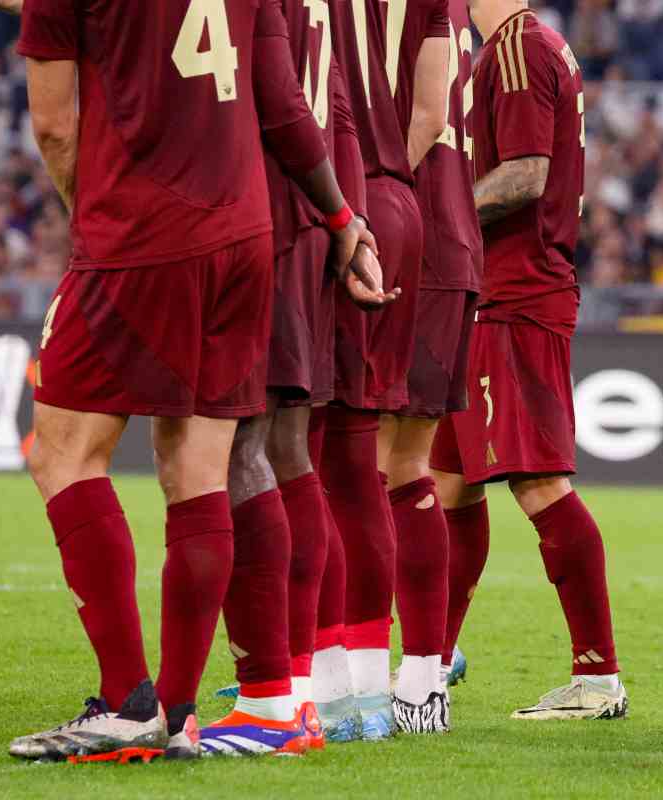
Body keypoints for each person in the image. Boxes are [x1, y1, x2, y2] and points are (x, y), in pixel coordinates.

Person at [10, 0, 382, 762]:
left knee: (62, 453)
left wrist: (94, 219)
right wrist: (343, 220)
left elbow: (52, 126)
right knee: (199, 469)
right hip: (246, 238)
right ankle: (178, 715)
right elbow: (281, 105)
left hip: (139, 234)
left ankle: (125, 704)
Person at [199, 0, 394, 757]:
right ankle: (302, 692)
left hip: (270, 217)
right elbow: (336, 111)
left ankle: (275, 700)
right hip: (312, 221)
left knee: (247, 451)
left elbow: (283, 102)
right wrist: (347, 221)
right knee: (289, 454)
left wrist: (344, 221)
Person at [430, 0, 628, 721]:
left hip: (517, 297)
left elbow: (525, 174)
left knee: (540, 485)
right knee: (449, 486)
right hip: (493, 294)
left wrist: (437, 216)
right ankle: (430, 660)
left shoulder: (516, 47)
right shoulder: (528, 45)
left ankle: (598, 677)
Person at [315, 0, 450, 741]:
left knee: (298, 455)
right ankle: (371, 690)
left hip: (332, 202)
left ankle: (314, 682)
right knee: (367, 461)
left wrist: (344, 212)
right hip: (401, 202)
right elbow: (430, 112)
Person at [391, 0, 484, 729]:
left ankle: (329, 674)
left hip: (396, 238)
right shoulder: (455, 13)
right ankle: (421, 679)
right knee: (411, 471)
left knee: (356, 463)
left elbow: (419, 121)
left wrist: (351, 208)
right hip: (448, 243)